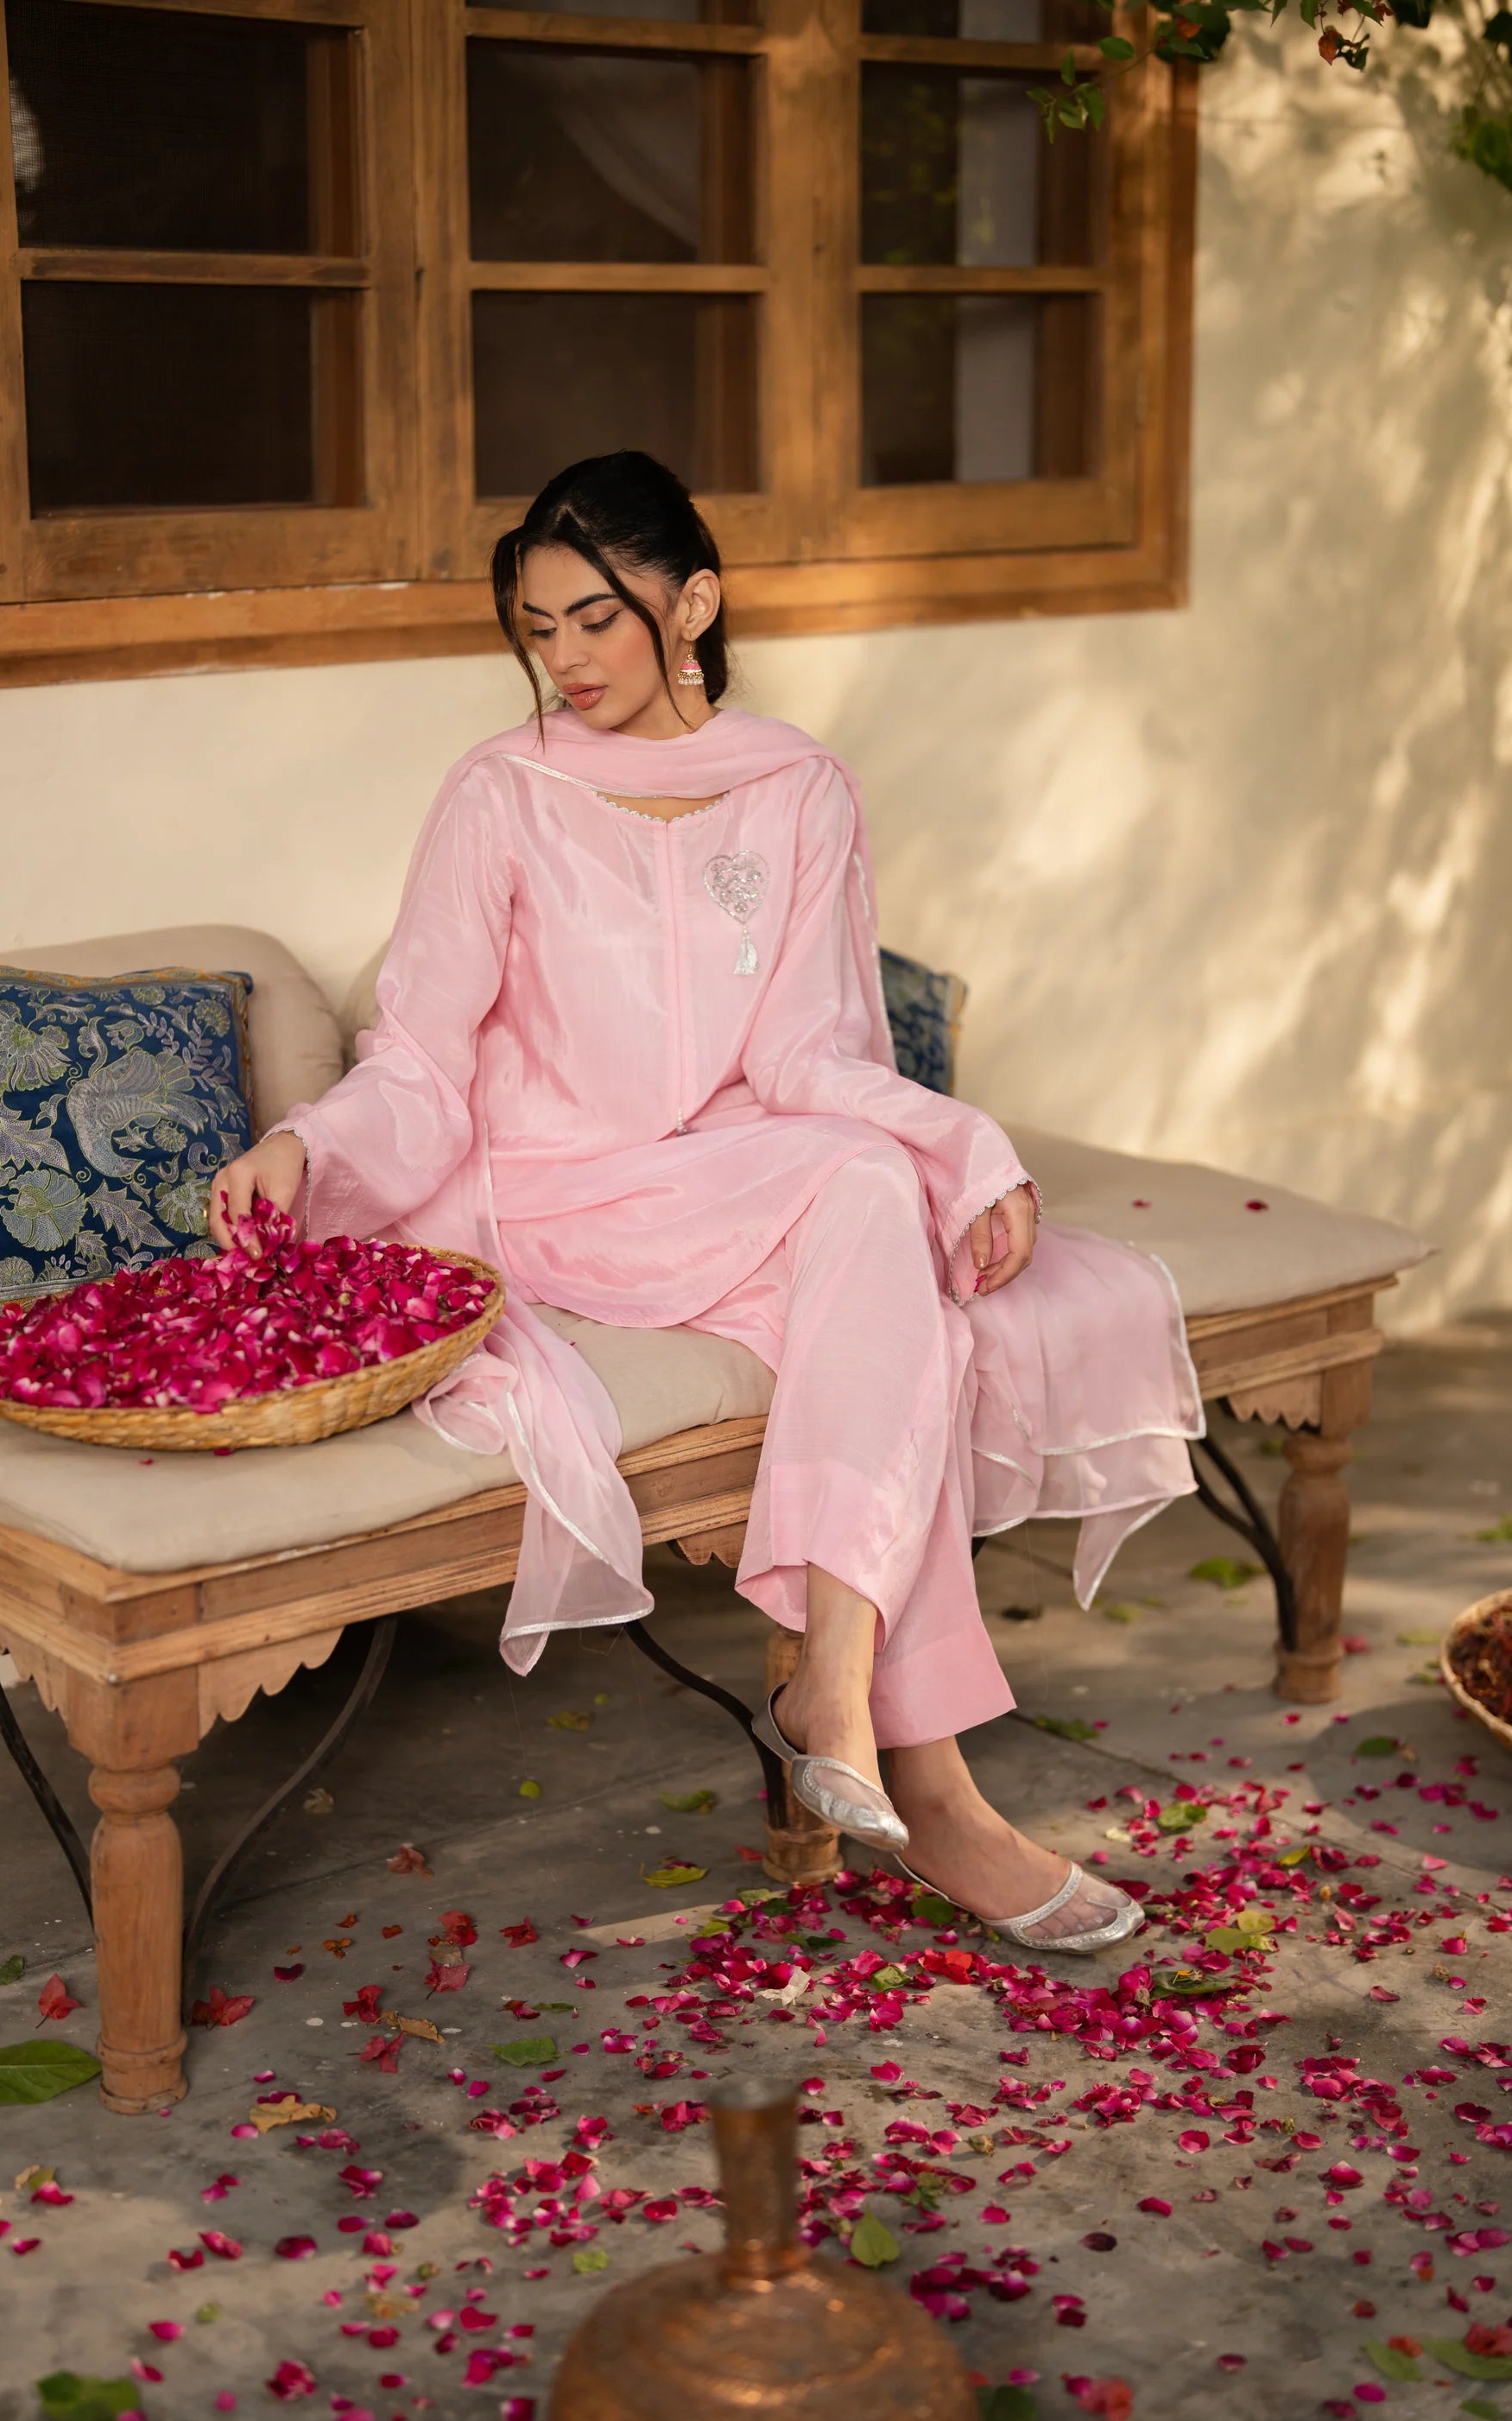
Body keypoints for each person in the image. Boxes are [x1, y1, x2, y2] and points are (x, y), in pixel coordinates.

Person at [211, 451, 1202, 1952]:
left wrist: (969, 1146)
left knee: (879, 1218)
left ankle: (840, 1692)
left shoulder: (798, 788)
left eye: (596, 619)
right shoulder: (503, 793)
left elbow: (811, 1051)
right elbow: (419, 1055)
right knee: (885, 1250)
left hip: (725, 1177)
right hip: (554, 1191)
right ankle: (926, 1788)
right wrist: (309, 1148)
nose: (565, 660)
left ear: (693, 606)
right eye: (539, 628)